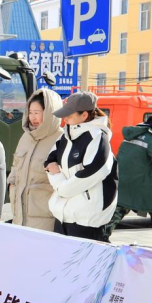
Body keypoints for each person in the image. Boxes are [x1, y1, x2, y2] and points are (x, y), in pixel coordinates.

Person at [46, 92, 118, 241]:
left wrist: (60, 184)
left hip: (87, 220)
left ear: (84, 115)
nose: (65, 119)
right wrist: (60, 183)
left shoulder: (97, 137)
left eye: (69, 115)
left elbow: (95, 172)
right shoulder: (65, 135)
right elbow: (49, 163)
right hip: (62, 215)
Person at [103, 114, 152, 250]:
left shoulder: (131, 134)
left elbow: (121, 155)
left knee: (122, 207)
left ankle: (104, 234)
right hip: (146, 180)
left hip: (128, 177)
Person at [8, 89, 64, 231]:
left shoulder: (61, 138)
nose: (33, 117)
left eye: (37, 113)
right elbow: (15, 166)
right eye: (30, 112)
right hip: (19, 216)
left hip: (46, 219)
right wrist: (12, 184)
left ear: (50, 113)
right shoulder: (25, 137)